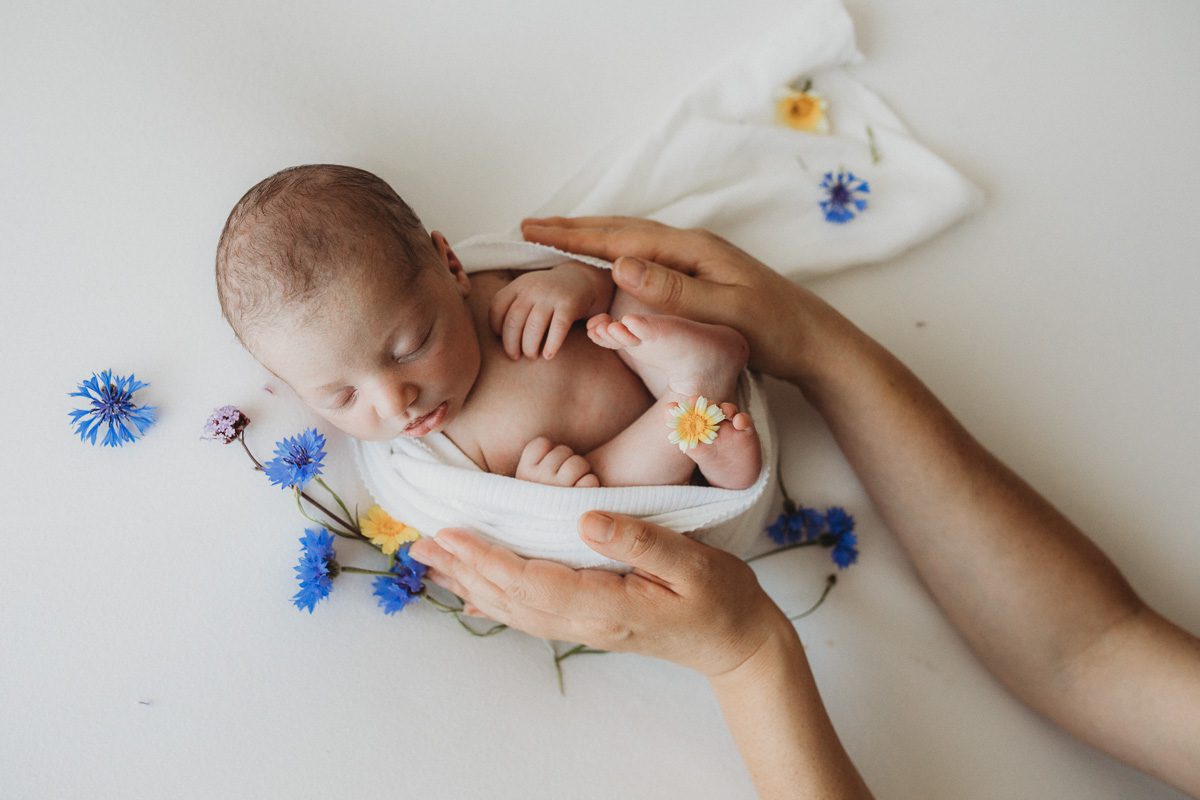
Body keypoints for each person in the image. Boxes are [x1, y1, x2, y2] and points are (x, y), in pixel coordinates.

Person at [409, 216, 1200, 799]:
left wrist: (746, 655)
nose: (392, 398)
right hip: (681, 404)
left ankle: (693, 405)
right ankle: (696, 403)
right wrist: (824, 352)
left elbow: (1093, 656)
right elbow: (1092, 652)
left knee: (625, 470)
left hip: (660, 459)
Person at [214, 164, 763, 493]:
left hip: (646, 360)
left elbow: (596, 275)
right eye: (341, 397)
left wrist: (573, 283)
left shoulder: (496, 283)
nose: (395, 401)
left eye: (411, 346)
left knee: (628, 291)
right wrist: (540, 492)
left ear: (451, 269)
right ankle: (707, 415)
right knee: (600, 486)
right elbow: (512, 525)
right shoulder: (448, 462)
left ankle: (696, 381)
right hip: (639, 453)